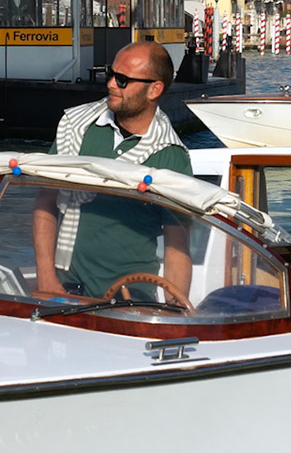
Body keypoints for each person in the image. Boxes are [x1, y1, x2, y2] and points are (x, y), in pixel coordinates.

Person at [32, 41, 193, 302]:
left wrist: (175, 309)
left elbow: (177, 245)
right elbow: (45, 201)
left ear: (154, 89)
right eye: (110, 74)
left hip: (132, 295)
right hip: (64, 290)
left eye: (122, 79)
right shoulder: (77, 128)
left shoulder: (171, 155)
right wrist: (46, 279)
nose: (110, 84)